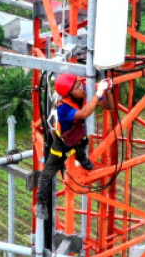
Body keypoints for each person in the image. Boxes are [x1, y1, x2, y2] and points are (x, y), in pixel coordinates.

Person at [36, 72, 111, 214]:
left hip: (76, 136)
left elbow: (110, 106)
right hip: (63, 142)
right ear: (69, 94)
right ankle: (41, 202)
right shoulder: (63, 108)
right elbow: (83, 114)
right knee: (48, 172)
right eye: (77, 87)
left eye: (80, 84)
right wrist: (98, 92)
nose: (82, 88)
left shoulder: (84, 93)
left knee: (81, 145)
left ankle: (82, 159)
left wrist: (107, 91)